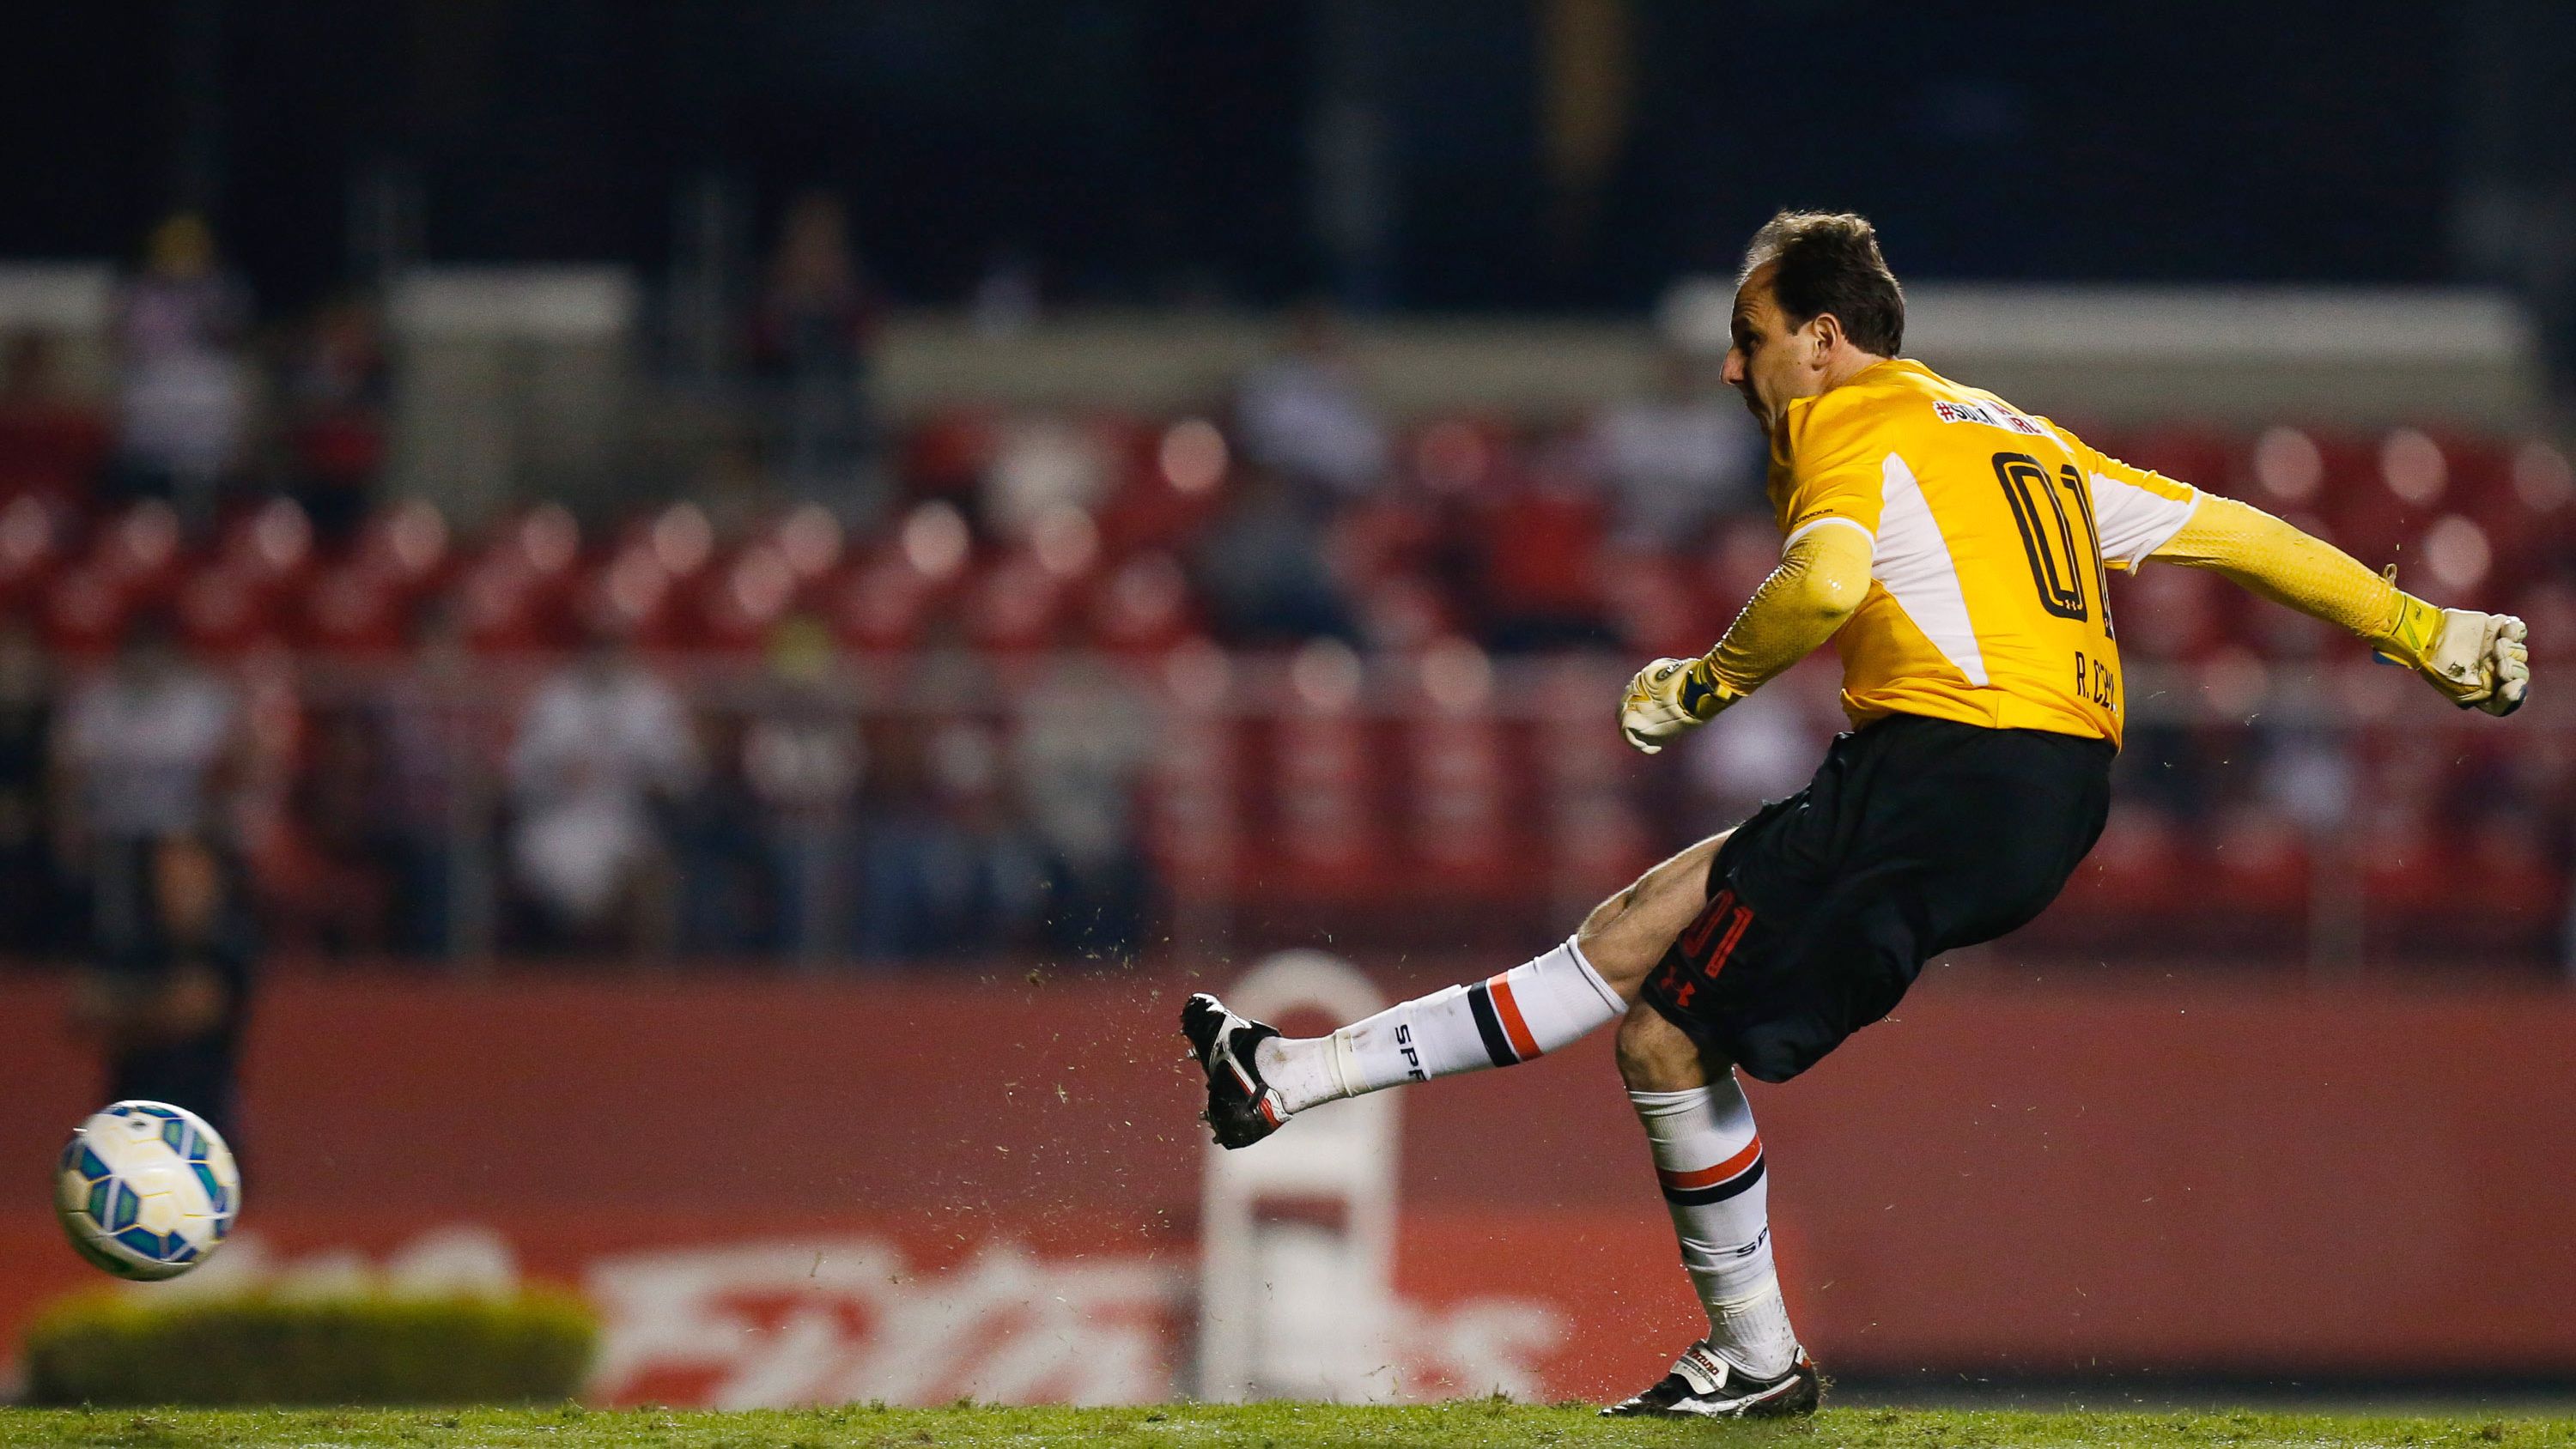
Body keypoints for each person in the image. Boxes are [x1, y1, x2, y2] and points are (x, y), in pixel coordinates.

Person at [1180, 211, 2531, 1419]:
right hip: (2021, 781)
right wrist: (2426, 628)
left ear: (1823, 340)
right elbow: (2237, 532)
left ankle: (1755, 1359)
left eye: (1749, 336)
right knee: (1638, 928)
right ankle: (1289, 1076)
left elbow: (1824, 586)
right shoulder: (2013, 431)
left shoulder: (1848, 425)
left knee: (1664, 1041)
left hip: (1952, 769)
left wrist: (1702, 686)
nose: (1733, 368)